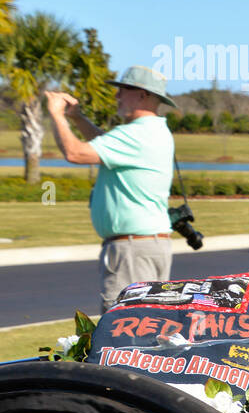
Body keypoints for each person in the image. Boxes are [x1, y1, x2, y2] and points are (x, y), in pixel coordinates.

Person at [45, 65, 177, 313]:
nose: (116, 96)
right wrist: (78, 118)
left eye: (122, 90)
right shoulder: (152, 131)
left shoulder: (136, 134)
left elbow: (75, 153)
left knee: (122, 331)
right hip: (146, 246)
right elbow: (105, 144)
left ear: (142, 95)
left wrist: (56, 115)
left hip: (131, 252)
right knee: (147, 329)